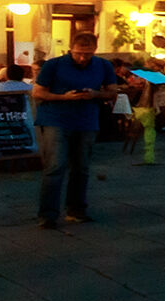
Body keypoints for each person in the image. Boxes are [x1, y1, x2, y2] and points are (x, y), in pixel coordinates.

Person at [33, 31, 116, 229]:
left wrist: (96, 94)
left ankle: (76, 210)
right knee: (55, 166)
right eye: (78, 53)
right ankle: (48, 214)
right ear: (70, 49)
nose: (82, 58)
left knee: (82, 167)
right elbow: (37, 93)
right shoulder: (54, 65)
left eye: (87, 54)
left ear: (95, 50)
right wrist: (64, 97)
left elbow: (113, 92)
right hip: (56, 118)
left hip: (86, 120)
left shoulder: (103, 65)